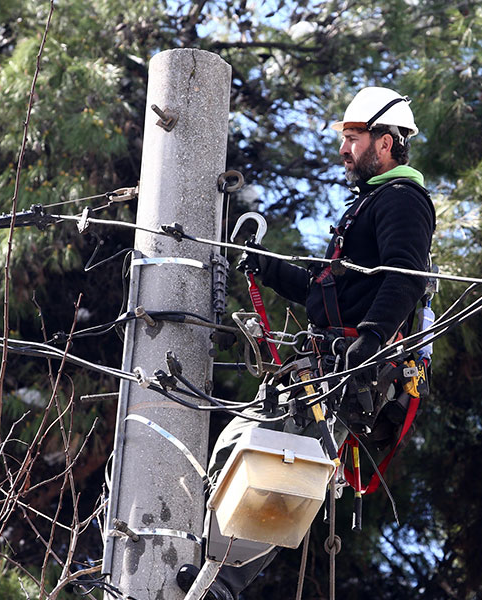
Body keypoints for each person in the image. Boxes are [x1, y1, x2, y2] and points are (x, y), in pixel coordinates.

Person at [177, 86, 435, 600]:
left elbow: (403, 277)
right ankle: (197, 561)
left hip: (348, 372)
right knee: (242, 448)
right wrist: (267, 268)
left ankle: (218, 582)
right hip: (328, 368)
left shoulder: (402, 200)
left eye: (353, 137)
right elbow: (328, 293)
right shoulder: (369, 207)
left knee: (274, 466)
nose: (344, 149)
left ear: (385, 143)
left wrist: (371, 341)